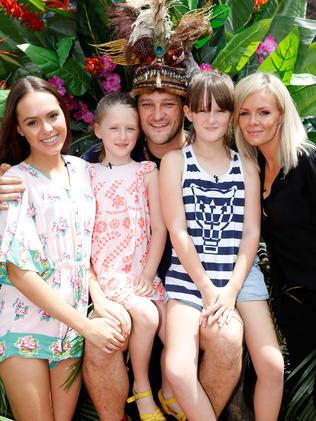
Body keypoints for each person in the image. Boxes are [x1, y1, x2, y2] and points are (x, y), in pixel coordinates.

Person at [0, 76, 127, 421]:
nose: (46, 129)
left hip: (68, 332)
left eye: (52, 116)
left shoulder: (85, 172)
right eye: (32, 122)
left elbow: (79, 253)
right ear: (19, 130)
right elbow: (19, 271)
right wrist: (89, 327)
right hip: (24, 326)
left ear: (65, 114)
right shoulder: (15, 182)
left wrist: (98, 300)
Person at [160, 70, 284, 421]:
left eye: (220, 111)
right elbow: (177, 230)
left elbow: (250, 233)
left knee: (273, 366)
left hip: (238, 277)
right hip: (190, 280)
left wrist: (229, 290)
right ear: (188, 114)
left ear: (231, 115)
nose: (210, 118)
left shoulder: (246, 166)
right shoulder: (174, 163)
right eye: (202, 110)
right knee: (179, 370)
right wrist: (207, 288)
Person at [89, 92, 169, 420]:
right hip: (109, 272)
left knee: (174, 331)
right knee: (148, 318)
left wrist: (149, 274)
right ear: (97, 131)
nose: (123, 137)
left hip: (142, 270)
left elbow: (160, 229)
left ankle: (173, 393)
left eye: (131, 129)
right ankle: (142, 390)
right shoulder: (85, 173)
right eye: (114, 129)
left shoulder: (147, 171)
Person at [234, 71, 316, 370]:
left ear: (281, 115)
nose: (253, 121)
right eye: (244, 113)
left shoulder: (306, 160)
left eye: (263, 112)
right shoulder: (252, 169)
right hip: (294, 308)